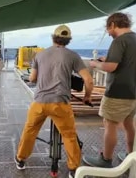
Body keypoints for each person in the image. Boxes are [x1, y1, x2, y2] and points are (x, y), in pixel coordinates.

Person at [15, 25, 93, 178]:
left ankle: (20, 160)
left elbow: (32, 79)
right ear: (68, 40)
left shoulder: (40, 55)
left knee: (30, 131)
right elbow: (88, 80)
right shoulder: (73, 56)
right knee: (69, 135)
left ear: (53, 37)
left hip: (40, 103)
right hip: (60, 104)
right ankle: (73, 169)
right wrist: (87, 97)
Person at [83, 12, 136, 168]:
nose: (108, 33)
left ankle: (105, 159)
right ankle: (131, 156)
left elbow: (111, 67)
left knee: (110, 124)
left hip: (118, 93)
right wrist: (107, 58)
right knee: (129, 124)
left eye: (108, 29)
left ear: (112, 25)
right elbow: (128, 61)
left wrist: (95, 64)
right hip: (135, 93)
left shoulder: (120, 41)